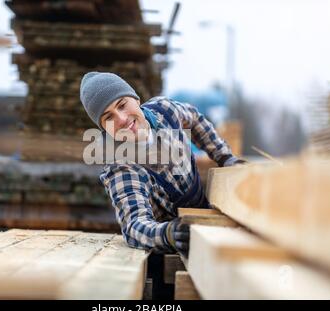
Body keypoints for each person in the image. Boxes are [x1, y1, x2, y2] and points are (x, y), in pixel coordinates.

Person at [79, 72, 245, 256]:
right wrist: (168, 234)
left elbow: (196, 120)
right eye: (108, 117)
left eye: (122, 105)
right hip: (175, 251)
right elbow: (135, 225)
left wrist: (224, 156)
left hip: (209, 218)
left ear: (136, 99)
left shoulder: (165, 111)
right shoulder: (122, 166)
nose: (122, 119)